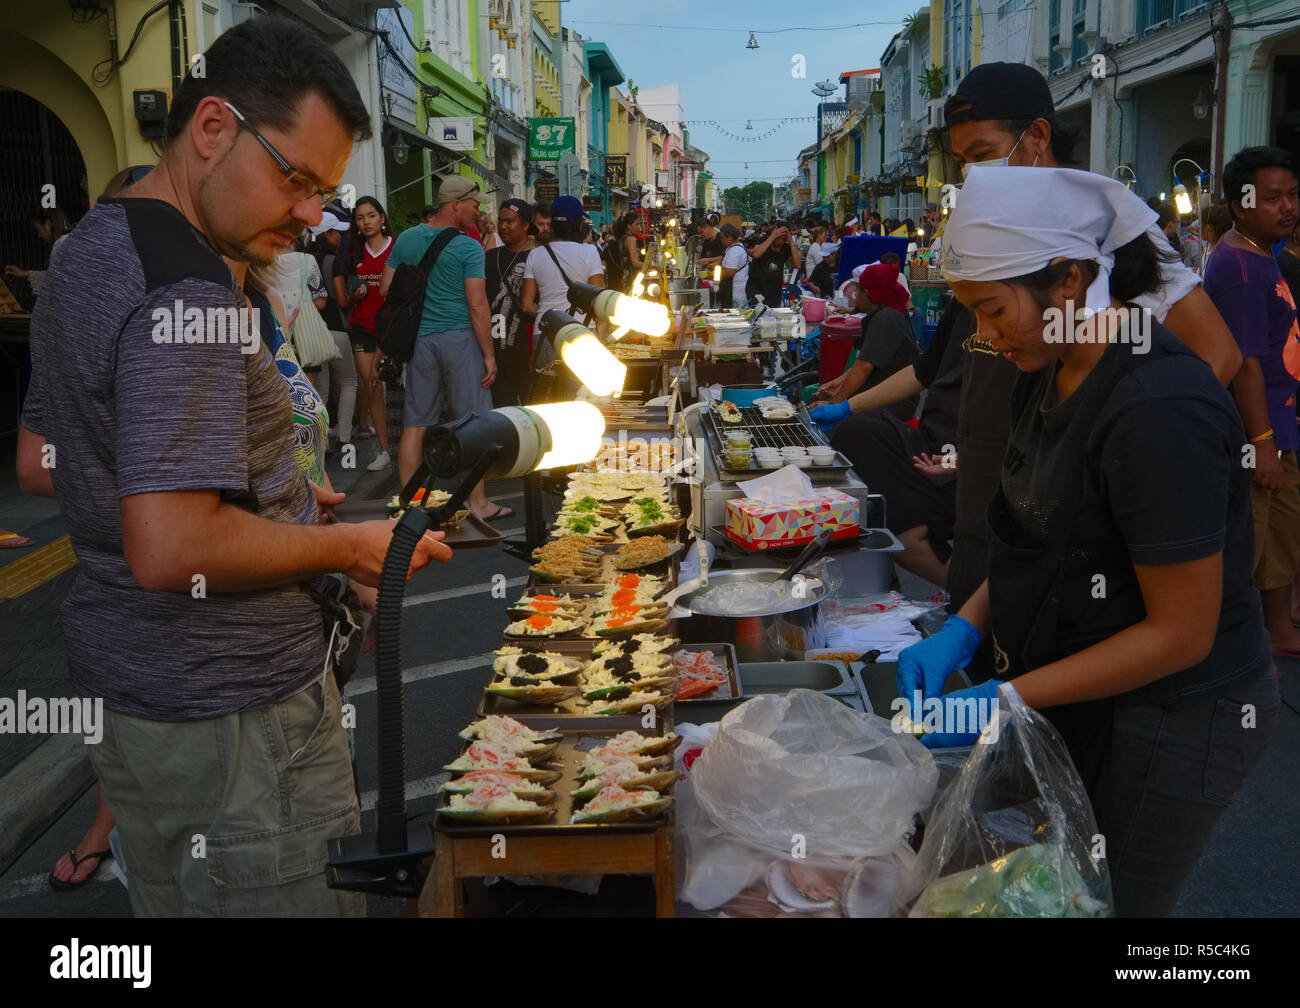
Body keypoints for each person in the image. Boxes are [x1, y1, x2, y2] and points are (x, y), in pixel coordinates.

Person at [15, 13, 453, 917]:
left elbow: (51, 457)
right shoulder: (193, 290)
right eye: (294, 179)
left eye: (324, 192)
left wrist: (266, 491)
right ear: (212, 129)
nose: (307, 214)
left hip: (134, 698)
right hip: (235, 720)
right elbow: (171, 544)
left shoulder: (88, 251)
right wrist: (342, 549)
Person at [902, 164, 1278, 917]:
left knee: (1111, 905)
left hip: (1179, 716)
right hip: (1085, 682)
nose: (984, 334)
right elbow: (1030, 532)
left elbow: (1181, 632)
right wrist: (962, 628)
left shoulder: (1156, 407)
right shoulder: (1049, 370)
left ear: (1069, 281)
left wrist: (1004, 699)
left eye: (993, 309)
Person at [821, 61, 1242, 648]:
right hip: (996, 489)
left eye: (984, 154)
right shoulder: (995, 233)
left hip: (1065, 513)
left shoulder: (1100, 229)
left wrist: (1109, 456)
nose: (972, 174)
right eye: (963, 162)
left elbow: (1216, 355)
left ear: (1038, 137)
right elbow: (941, 362)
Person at [1202, 146, 1300, 657]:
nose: (1287, 207)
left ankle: (1279, 631)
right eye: (1271, 198)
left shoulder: (1263, 255)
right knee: (1251, 538)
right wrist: (1261, 443)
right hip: (1257, 432)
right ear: (1239, 206)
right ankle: (1230, 643)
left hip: (1281, 426)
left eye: (1291, 195)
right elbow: (1245, 363)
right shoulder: (1240, 267)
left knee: (1281, 532)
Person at [381, 176, 508, 521]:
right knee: (471, 422)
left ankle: (408, 502)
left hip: (420, 341)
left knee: (415, 423)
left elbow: (386, 288)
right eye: (473, 204)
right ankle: (478, 503)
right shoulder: (467, 247)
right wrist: (489, 354)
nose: (477, 210)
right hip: (460, 339)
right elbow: (478, 305)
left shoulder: (407, 238)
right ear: (455, 204)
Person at [811, 262, 917, 419]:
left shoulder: (886, 318)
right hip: (876, 391)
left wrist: (835, 406)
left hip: (893, 402)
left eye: (857, 289)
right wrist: (839, 383)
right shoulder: (879, 315)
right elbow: (866, 360)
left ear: (866, 293)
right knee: (813, 399)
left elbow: (864, 367)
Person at [338, 196, 394, 469]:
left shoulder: (398, 248)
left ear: (382, 218)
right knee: (372, 386)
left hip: (393, 329)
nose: (366, 222)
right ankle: (383, 451)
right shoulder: (353, 251)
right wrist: (355, 293)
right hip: (362, 326)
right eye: (360, 218)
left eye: (371, 216)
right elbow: (349, 291)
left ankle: (415, 446)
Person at [307, 211, 357, 448]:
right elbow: (341, 299)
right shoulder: (333, 261)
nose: (339, 237)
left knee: (321, 389)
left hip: (312, 332)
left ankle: (322, 440)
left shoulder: (303, 259)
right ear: (326, 234)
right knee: (348, 382)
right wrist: (353, 296)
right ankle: (345, 437)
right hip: (336, 328)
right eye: (335, 232)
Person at [521, 194, 605, 321]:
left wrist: (552, 318)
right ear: (579, 224)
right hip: (581, 328)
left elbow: (526, 306)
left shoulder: (534, 254)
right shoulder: (590, 251)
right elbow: (598, 300)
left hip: (545, 330)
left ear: (552, 224)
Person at [487, 198, 536, 408]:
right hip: (495, 353)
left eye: (510, 221)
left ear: (525, 225)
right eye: (501, 221)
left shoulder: (537, 257)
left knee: (534, 411)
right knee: (502, 413)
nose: (504, 226)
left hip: (527, 356)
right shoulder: (489, 257)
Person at [4, 207, 72, 299]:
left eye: (39, 230)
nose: (39, 235)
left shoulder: (60, 245)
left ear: (48, 224)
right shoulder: (71, 239)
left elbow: (55, 284)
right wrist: (25, 274)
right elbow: (57, 277)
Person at [717, 223, 748, 308]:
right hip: (732, 290)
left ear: (729, 237)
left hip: (736, 291)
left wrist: (712, 274)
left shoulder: (736, 250)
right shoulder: (730, 248)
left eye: (722, 237)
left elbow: (730, 272)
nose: (721, 239)